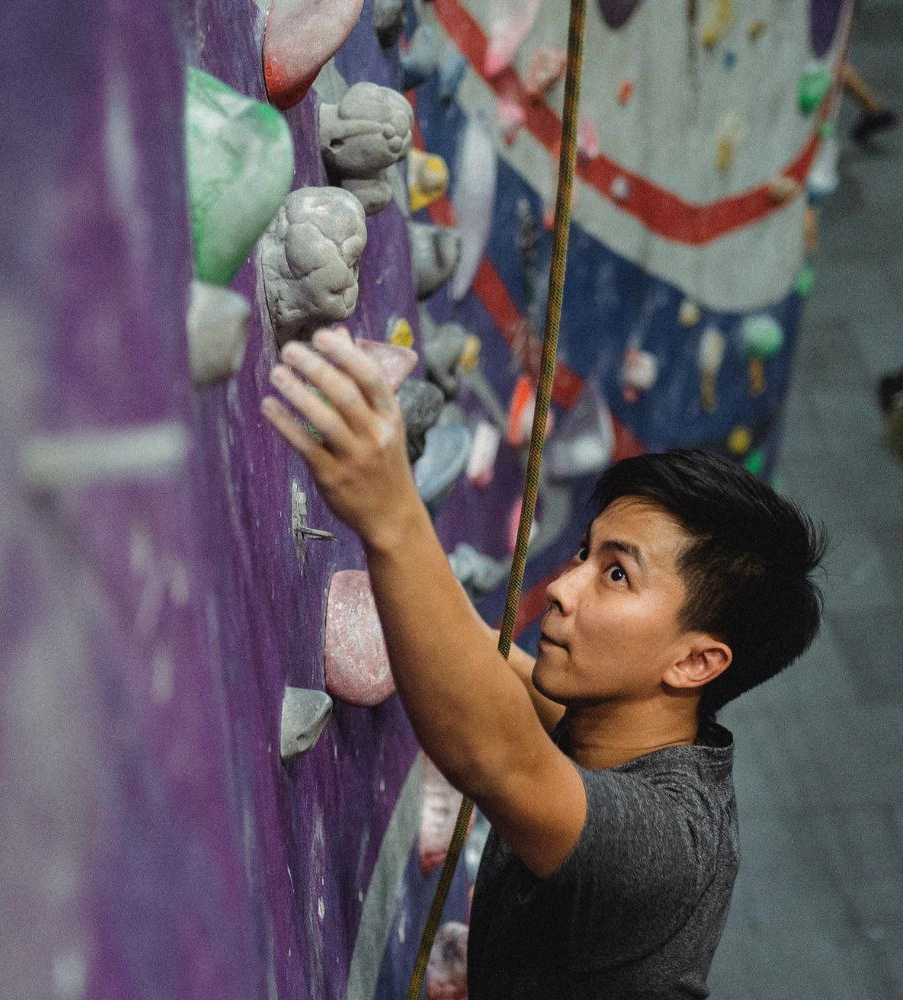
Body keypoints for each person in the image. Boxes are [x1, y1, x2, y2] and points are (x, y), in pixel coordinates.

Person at [261, 326, 827, 998]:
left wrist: (391, 516)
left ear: (696, 662)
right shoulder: (632, 722)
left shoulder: (662, 847)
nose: (561, 587)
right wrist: (435, 599)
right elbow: (510, 674)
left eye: (617, 576)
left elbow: (491, 754)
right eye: (587, 555)